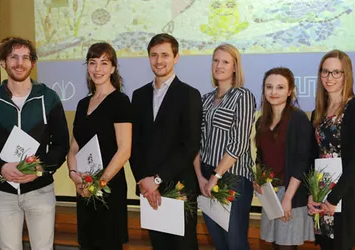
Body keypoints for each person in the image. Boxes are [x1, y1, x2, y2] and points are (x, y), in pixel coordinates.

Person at [0, 37, 69, 250]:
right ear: (3, 62)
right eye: (13, 57)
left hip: (40, 192)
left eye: (26, 57)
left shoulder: (49, 98)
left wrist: (40, 167)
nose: (20, 63)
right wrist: (1, 167)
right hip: (3, 193)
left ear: (32, 63)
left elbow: (61, 145)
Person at [129, 33, 202, 250]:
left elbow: (190, 145)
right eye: (154, 55)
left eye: (165, 55)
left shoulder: (189, 94)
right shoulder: (139, 95)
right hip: (148, 191)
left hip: (178, 187)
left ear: (176, 57)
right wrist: (144, 180)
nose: (159, 61)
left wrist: (158, 180)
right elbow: (134, 144)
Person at [66, 42, 132, 250]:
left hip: (108, 188)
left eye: (104, 63)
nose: (97, 69)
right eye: (93, 63)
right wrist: (74, 175)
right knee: (87, 243)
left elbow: (124, 150)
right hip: (84, 188)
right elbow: (74, 148)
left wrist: (98, 183)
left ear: (113, 68)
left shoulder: (120, 101)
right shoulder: (82, 104)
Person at [194, 43, 256, 250]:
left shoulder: (243, 96)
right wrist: (201, 177)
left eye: (225, 62)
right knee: (219, 243)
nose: (219, 65)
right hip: (205, 176)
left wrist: (215, 176)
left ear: (235, 67)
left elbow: (238, 143)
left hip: (233, 177)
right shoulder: (205, 99)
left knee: (235, 243)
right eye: (216, 60)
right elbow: (196, 142)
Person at [308, 50, 355, 250]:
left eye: (336, 72)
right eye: (325, 72)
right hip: (321, 193)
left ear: (346, 75)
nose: (329, 77)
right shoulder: (319, 111)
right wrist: (312, 193)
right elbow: (313, 155)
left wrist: (334, 198)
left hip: (344, 196)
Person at [255, 67, 315, 250]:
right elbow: (261, 157)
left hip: (291, 194)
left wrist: (288, 197)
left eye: (280, 87)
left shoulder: (299, 120)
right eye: (269, 87)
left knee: (286, 247)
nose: (273, 92)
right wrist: (258, 180)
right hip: (270, 195)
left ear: (290, 91)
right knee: (274, 245)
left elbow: (302, 162)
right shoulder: (261, 121)